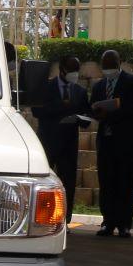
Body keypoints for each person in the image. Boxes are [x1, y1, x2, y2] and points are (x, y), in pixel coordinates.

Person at [88, 49, 133, 236]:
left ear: (119, 63)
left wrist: (109, 113)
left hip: (128, 140)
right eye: (105, 66)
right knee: (107, 181)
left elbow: (130, 107)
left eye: (111, 66)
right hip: (106, 139)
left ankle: (124, 224)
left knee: (126, 181)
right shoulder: (98, 86)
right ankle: (108, 222)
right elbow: (93, 107)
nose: (108, 69)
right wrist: (95, 113)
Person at [30, 54, 90, 204]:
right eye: (71, 69)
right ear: (62, 69)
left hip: (69, 144)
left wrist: (83, 118)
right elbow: (36, 111)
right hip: (48, 142)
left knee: (68, 183)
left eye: (77, 69)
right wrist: (62, 107)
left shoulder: (80, 92)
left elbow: (86, 118)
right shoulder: (45, 87)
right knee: (43, 183)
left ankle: (65, 220)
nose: (74, 73)